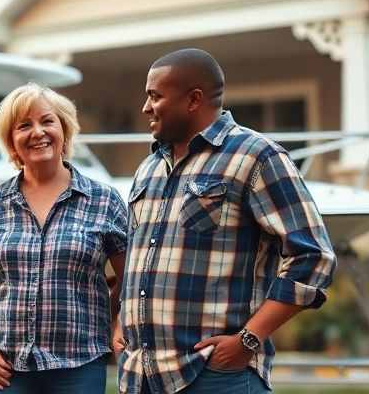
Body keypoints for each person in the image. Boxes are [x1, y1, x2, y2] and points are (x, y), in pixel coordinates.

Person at [114, 49, 336, 394]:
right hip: (141, 377)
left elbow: (313, 257)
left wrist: (248, 340)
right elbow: (141, 255)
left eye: (155, 96)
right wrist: (121, 322)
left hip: (217, 376)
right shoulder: (150, 167)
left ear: (193, 99)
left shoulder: (257, 156)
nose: (146, 107)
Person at [0, 83, 128, 393]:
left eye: (47, 121)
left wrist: (115, 322)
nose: (38, 132)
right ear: (11, 141)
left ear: (64, 129)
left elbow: (130, 276)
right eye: (24, 125)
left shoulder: (104, 200)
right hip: (4, 368)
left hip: (79, 365)